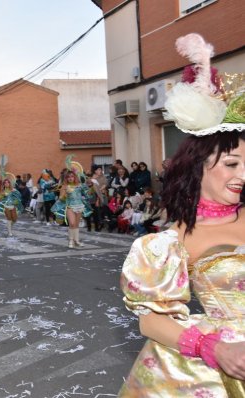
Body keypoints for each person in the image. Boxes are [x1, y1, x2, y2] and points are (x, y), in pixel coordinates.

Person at [119, 33, 245, 395]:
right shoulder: (171, 241)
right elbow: (150, 320)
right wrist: (214, 348)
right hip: (227, 367)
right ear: (197, 167)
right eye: (232, 163)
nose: (243, 175)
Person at [51, 158, 92, 248]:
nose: (70, 178)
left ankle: (76, 241)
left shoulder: (79, 185)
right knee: (72, 223)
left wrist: (89, 186)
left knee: (76, 224)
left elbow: (87, 195)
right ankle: (70, 241)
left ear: (75, 177)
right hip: (70, 207)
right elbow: (61, 198)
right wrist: (66, 193)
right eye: (68, 177)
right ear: (66, 178)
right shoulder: (64, 186)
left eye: (72, 177)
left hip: (79, 206)